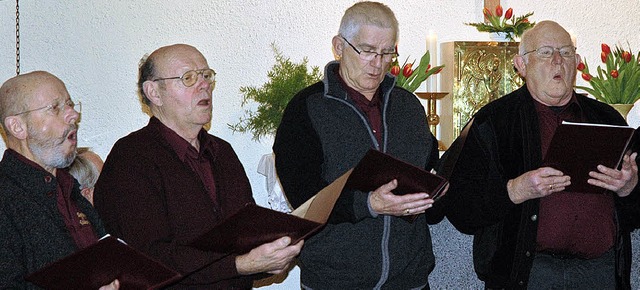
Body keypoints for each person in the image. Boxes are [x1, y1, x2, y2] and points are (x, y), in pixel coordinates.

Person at [442, 20, 640, 289]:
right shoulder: (494, 122)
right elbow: (460, 209)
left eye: (566, 52)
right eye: (546, 52)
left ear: (577, 61)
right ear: (521, 65)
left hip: (600, 272)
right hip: (528, 274)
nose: (558, 61)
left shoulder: (607, 119)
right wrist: (514, 190)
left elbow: (635, 212)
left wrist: (629, 188)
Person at [93, 43, 303, 289]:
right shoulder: (132, 157)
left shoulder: (222, 151)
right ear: (154, 92)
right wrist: (240, 265)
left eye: (206, 76)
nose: (204, 85)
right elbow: (151, 256)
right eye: (188, 78)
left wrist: (272, 256)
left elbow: (245, 233)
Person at [273, 2, 445, 289]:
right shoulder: (307, 108)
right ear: (339, 46)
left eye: (387, 52)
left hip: (409, 280)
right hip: (335, 280)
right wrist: (368, 204)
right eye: (366, 51)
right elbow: (304, 196)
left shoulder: (408, 107)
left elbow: (428, 170)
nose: (378, 64)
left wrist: (438, 190)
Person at [0, 71, 119, 289]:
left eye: (71, 105)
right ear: (17, 127)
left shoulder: (70, 190)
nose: (73, 115)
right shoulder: (6, 197)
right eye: (55, 108)